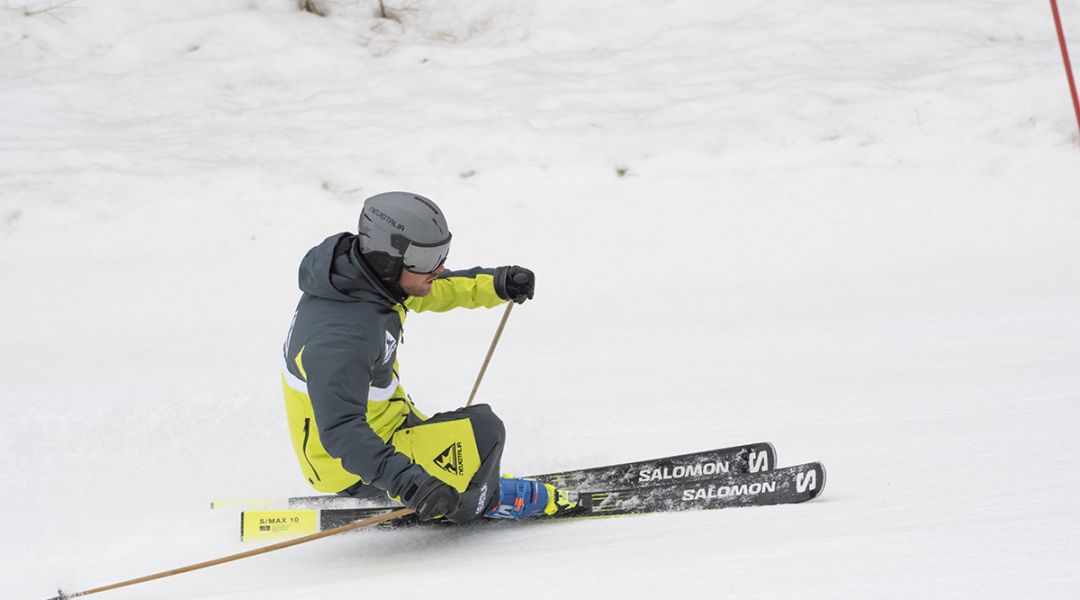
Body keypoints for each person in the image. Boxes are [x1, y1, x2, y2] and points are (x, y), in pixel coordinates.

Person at [280, 191, 574, 522]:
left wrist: (496, 284)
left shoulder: (364, 282)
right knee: (485, 432)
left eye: (440, 254)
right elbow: (341, 433)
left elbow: (434, 289)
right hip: (347, 464)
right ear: (387, 258)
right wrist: (414, 485)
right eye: (423, 259)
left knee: (468, 434)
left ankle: (453, 483)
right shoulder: (342, 338)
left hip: (387, 425)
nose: (437, 268)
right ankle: (481, 503)